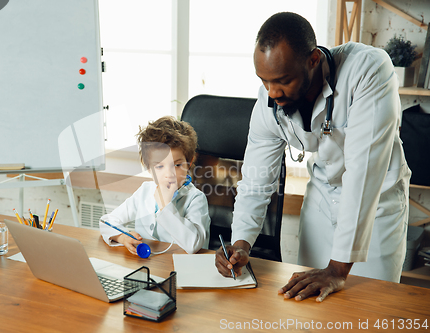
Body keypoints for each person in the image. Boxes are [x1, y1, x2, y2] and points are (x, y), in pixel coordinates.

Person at [215, 12, 411, 302]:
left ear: (314, 60)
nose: (273, 92)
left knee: (371, 307)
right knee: (306, 303)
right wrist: (241, 244)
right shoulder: (268, 99)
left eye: (282, 80)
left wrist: (337, 270)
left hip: (377, 202)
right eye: (264, 81)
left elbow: (363, 173)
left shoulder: (368, 69)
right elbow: (256, 179)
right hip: (321, 197)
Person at [99, 116, 211, 255]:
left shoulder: (195, 198)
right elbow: (106, 222)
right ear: (148, 168)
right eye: (159, 166)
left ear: (189, 163)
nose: (169, 174)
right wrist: (122, 237)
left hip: (182, 269)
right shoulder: (145, 191)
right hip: (148, 267)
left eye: (177, 165)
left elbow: (193, 245)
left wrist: (165, 206)